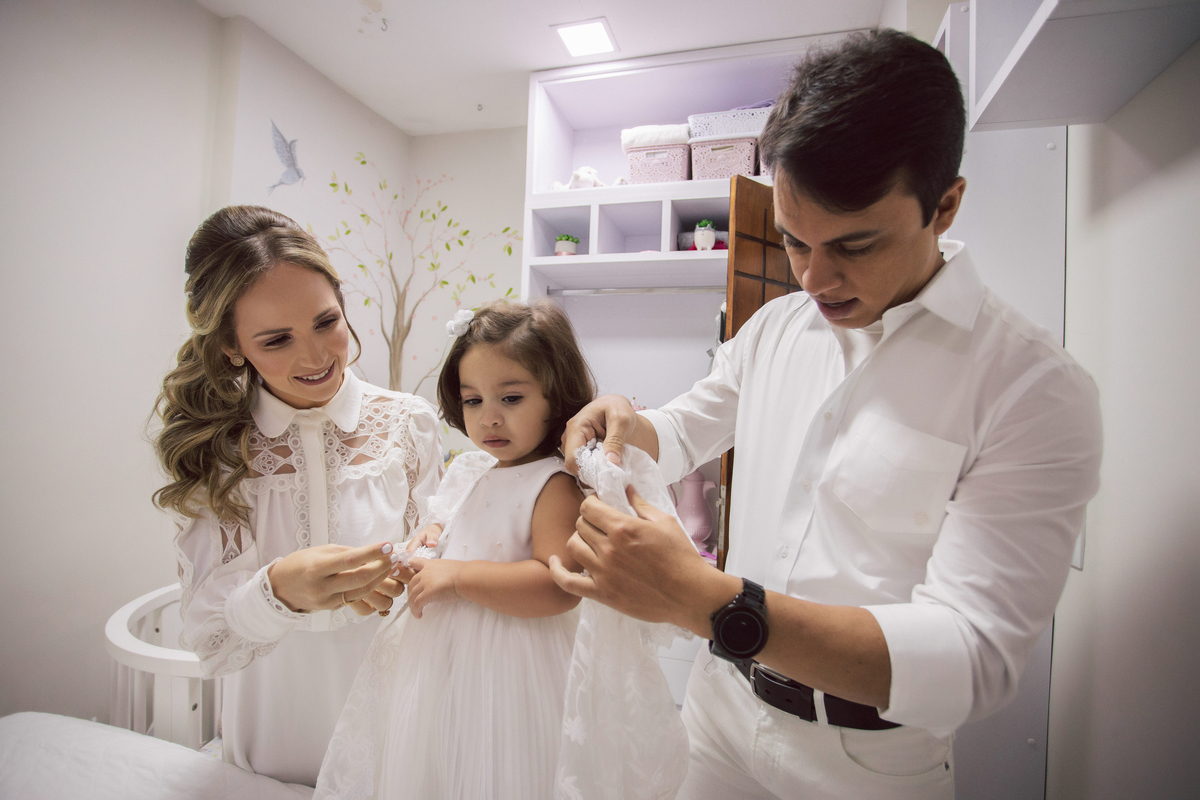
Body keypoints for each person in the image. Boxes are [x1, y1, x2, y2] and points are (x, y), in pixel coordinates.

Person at [549, 30, 1103, 800]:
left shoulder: (1032, 389)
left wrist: (709, 601)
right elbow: (681, 431)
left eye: (854, 244)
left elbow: (971, 658)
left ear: (944, 205)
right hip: (719, 719)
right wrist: (625, 421)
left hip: (871, 765)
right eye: (792, 240)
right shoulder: (775, 328)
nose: (814, 276)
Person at [154, 205, 443, 786]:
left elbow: (437, 555)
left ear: (341, 300)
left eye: (325, 321)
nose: (315, 358)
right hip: (272, 730)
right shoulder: (221, 447)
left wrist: (415, 571)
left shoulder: (410, 423)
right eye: (276, 339)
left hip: (392, 717)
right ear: (233, 347)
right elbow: (208, 637)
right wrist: (279, 590)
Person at [314, 300, 593, 800]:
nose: (489, 419)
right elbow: (461, 520)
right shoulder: (474, 469)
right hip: (450, 655)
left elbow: (557, 587)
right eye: (472, 401)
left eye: (510, 399)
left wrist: (458, 576)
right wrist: (433, 534)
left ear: (556, 397)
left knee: (500, 762)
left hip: (512, 661)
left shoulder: (554, 483)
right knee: (443, 757)